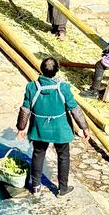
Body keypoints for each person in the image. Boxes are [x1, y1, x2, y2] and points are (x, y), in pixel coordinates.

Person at [16, 56, 89, 197]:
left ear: (41, 70)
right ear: (57, 71)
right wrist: (84, 127)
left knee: (38, 155)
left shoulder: (32, 87)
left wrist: (21, 128)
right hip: (60, 130)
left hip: (39, 129)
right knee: (63, 157)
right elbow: (74, 109)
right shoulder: (63, 88)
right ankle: (62, 189)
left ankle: (36, 187)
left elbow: (25, 109)